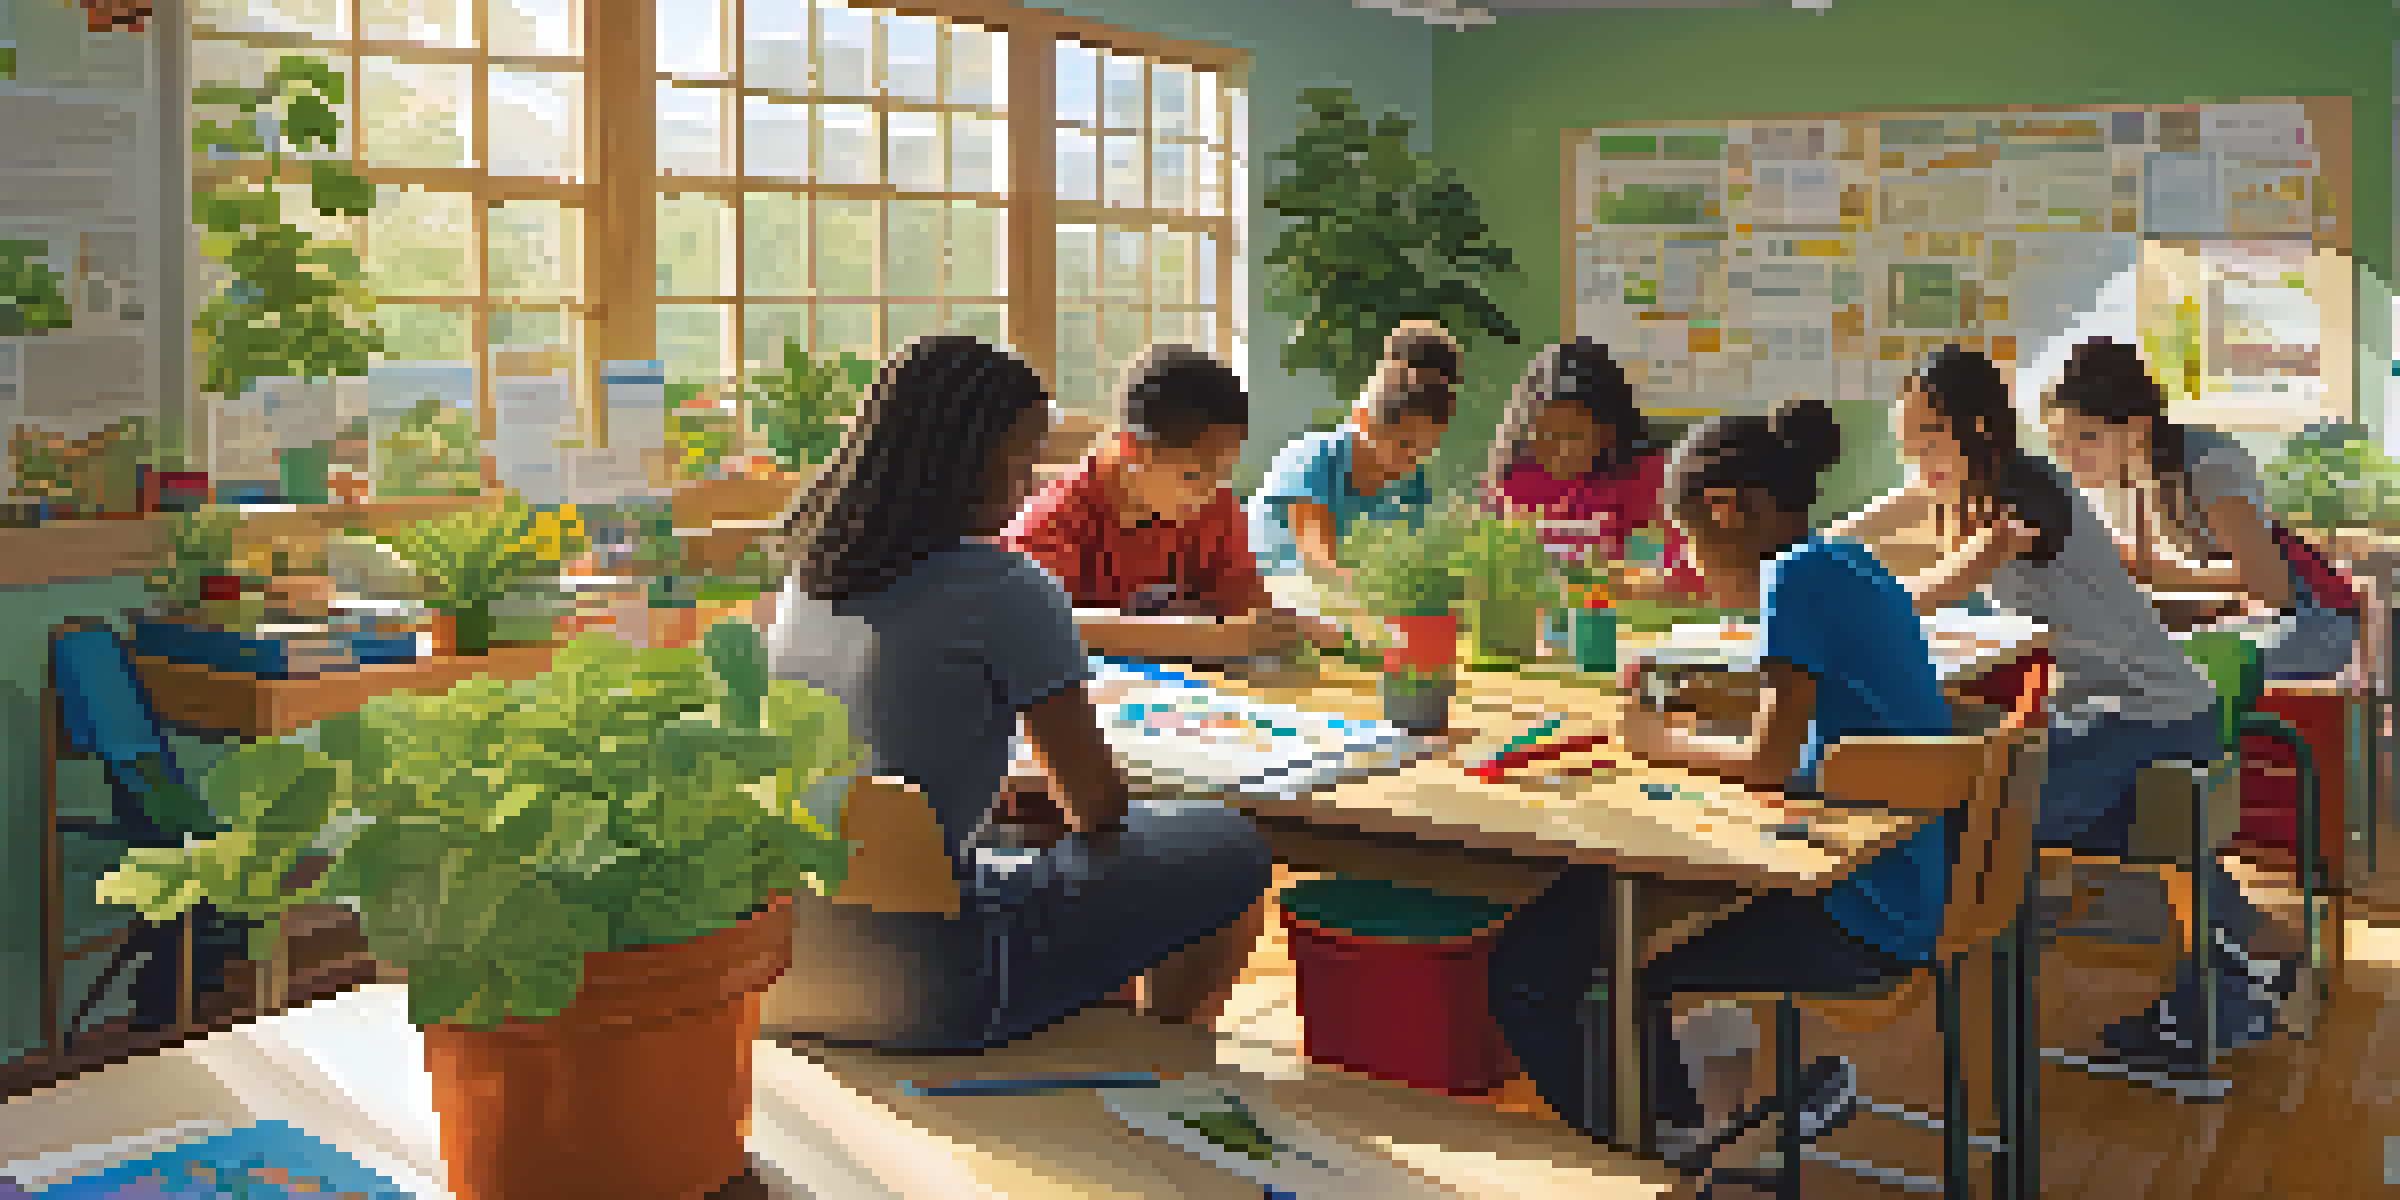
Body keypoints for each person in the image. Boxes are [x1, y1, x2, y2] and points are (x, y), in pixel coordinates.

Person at [763, 335, 1272, 1050]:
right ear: (965, 461)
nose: (1031, 482)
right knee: (1230, 844)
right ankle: (1164, 1052)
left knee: (1016, 854)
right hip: (935, 983)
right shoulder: (1003, 585)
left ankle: (1127, 1034)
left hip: (785, 966)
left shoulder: (808, 577)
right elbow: (1096, 808)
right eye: (1024, 458)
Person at [1487, 397, 1952, 1173]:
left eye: (1685, 537)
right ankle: (1676, 1135)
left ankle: (1653, 1159)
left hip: (1858, 911)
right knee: (1615, 929)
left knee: (1560, 971)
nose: (1688, 560)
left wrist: (1659, 745)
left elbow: (1768, 762)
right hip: (1898, 885)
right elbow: (1801, 721)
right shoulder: (1844, 562)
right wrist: (1701, 717)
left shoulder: (1793, 579)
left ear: (1727, 509)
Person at [1827, 344, 2301, 1076]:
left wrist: (1842, 609)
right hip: (2133, 714)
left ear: (1978, 428)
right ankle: (2252, 960)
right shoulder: (1966, 480)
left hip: (2141, 720)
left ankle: (2228, 994)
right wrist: (1803, 567)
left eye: (1929, 436)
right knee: (2141, 832)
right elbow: (1857, 532)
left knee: (1990, 814)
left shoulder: (2024, 501)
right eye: (1907, 440)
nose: (1917, 457)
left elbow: (1946, 582)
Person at [2042, 336, 2358, 681]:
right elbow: (2155, 578)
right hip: (2238, 622)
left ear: (2137, 428)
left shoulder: (2208, 466)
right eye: (2059, 444)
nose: (2069, 458)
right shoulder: (2126, 477)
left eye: (2086, 438)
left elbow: (2269, 589)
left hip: (2311, 622)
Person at [1004, 344, 1342, 662]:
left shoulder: (1211, 502)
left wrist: (1292, 627)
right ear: (1133, 450)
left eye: (1224, 473)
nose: (1211, 493)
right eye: (1193, 475)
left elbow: (1244, 604)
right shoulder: (1052, 521)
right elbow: (1033, 624)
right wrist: (1206, 638)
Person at [1248, 321, 1459, 618]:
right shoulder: (1313, 459)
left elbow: (1409, 568)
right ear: (1363, 421)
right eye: (1404, 444)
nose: (1412, 460)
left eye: (1426, 449)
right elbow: (1318, 566)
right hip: (1267, 596)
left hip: (1339, 606)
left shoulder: (1412, 482)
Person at [1480, 338, 1706, 600]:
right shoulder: (1516, 481)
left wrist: (1615, 584)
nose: (1561, 451)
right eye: (1545, 435)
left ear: (1609, 431)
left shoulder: (1655, 479)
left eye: (1574, 436)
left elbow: (1702, 572)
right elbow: (1488, 563)